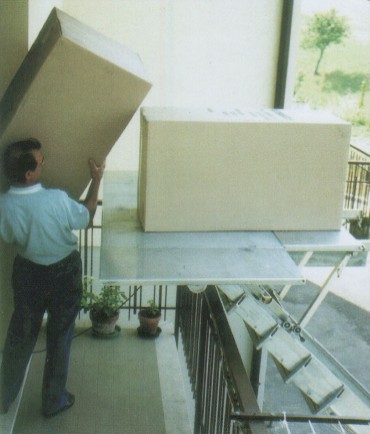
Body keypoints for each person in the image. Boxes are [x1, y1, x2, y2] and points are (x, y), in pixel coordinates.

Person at [0, 138, 105, 417]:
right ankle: (53, 400)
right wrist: (96, 180)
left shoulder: (4, 205)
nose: (44, 162)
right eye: (41, 160)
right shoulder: (56, 199)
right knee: (60, 337)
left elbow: (9, 237)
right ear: (29, 174)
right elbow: (87, 215)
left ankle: (2, 398)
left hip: (27, 272)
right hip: (64, 273)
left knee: (20, 338)